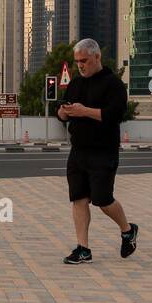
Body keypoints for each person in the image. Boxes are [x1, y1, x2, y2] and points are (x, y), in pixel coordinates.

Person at [56, 38, 137, 263]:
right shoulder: (75, 84)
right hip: (78, 151)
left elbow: (115, 115)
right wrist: (63, 113)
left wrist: (85, 111)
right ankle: (83, 249)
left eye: (84, 61)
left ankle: (127, 229)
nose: (80, 65)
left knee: (102, 200)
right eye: (77, 62)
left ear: (97, 57)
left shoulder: (113, 84)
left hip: (104, 151)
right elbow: (63, 111)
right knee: (78, 199)